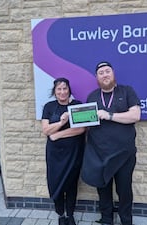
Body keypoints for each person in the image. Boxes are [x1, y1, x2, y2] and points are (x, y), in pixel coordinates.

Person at [81, 62, 141, 225]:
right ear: (97, 77)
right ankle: (107, 219)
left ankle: (126, 221)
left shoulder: (127, 91)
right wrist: (71, 118)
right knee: (103, 188)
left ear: (113, 74)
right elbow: (86, 122)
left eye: (108, 71)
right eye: (101, 72)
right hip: (99, 153)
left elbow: (135, 115)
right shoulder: (92, 96)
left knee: (124, 190)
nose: (105, 74)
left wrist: (109, 115)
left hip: (124, 154)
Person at [41, 77, 86, 225]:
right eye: (59, 89)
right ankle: (61, 214)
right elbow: (46, 130)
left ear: (69, 90)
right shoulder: (49, 107)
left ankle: (70, 214)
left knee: (71, 183)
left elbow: (81, 129)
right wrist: (62, 122)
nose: (62, 92)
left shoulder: (77, 105)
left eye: (65, 88)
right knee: (56, 182)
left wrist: (57, 134)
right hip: (55, 154)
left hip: (74, 152)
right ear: (54, 92)